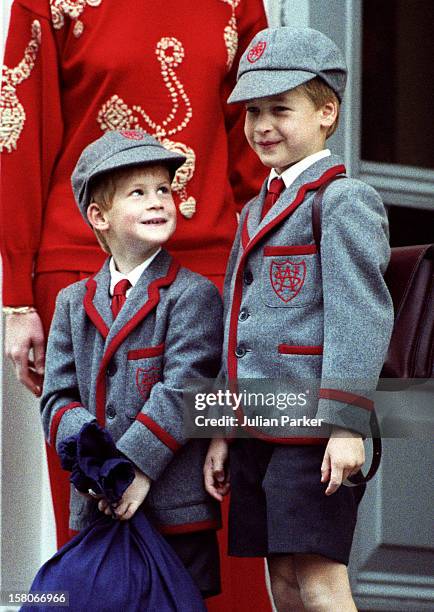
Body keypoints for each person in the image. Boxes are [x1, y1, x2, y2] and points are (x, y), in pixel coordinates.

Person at [0, 0, 268, 553]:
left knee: (211, 511)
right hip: (86, 271)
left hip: (213, 276)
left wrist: (263, 279)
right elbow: (18, 137)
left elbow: (254, 144)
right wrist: (16, 299)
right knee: (97, 505)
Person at [204, 26, 394, 611]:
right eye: (252, 111)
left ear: (325, 112)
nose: (262, 125)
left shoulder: (341, 201)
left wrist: (346, 426)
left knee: (319, 581)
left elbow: (359, 318)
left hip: (315, 429)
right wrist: (219, 427)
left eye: (280, 109)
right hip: (260, 425)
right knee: (281, 582)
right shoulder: (256, 209)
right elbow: (238, 324)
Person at [40, 129, 224, 598]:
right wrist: (98, 467)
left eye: (163, 189)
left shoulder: (193, 294)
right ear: (98, 216)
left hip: (175, 514)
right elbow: (57, 398)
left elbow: (186, 388)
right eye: (138, 193)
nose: (158, 201)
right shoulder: (71, 303)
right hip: (98, 511)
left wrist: (134, 468)